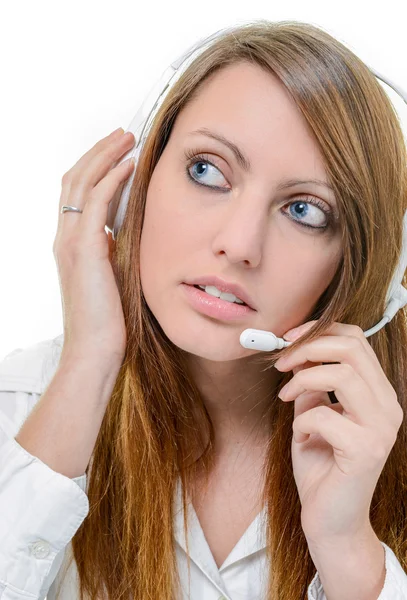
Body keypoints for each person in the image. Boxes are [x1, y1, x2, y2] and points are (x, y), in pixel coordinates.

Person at [1, 18, 407, 600]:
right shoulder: (20, 410)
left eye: (305, 211)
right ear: (133, 181)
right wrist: (89, 361)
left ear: (363, 265)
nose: (239, 245)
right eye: (207, 171)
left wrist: (350, 554)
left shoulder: (382, 449)